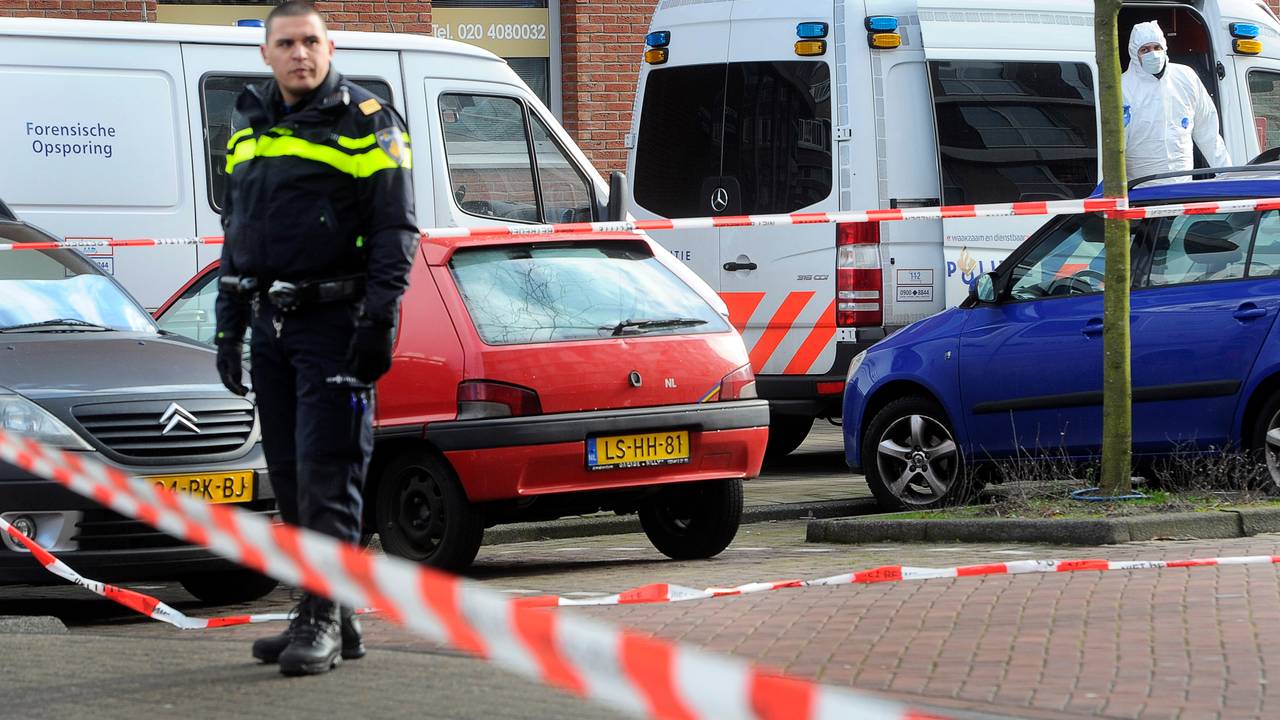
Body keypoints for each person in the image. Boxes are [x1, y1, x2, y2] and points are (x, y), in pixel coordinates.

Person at [213, 0, 416, 677]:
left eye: (312, 42)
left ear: (331, 49)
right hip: (271, 325)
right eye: (287, 44)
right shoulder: (247, 120)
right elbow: (238, 229)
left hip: (336, 322)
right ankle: (332, 611)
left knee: (330, 471)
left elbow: (395, 231)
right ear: (264, 53)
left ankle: (321, 619)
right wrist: (228, 323)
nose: (301, 54)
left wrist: (381, 319)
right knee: (294, 478)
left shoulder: (365, 122)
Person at [1122, 20, 1232, 184]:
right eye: (1144, 50)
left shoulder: (1185, 77)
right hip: (1141, 191)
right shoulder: (1123, 87)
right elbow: (1116, 147)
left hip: (1181, 190)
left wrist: (1228, 176)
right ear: (1134, 53)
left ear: (1164, 48)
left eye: (1157, 47)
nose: (1152, 54)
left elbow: (1208, 132)